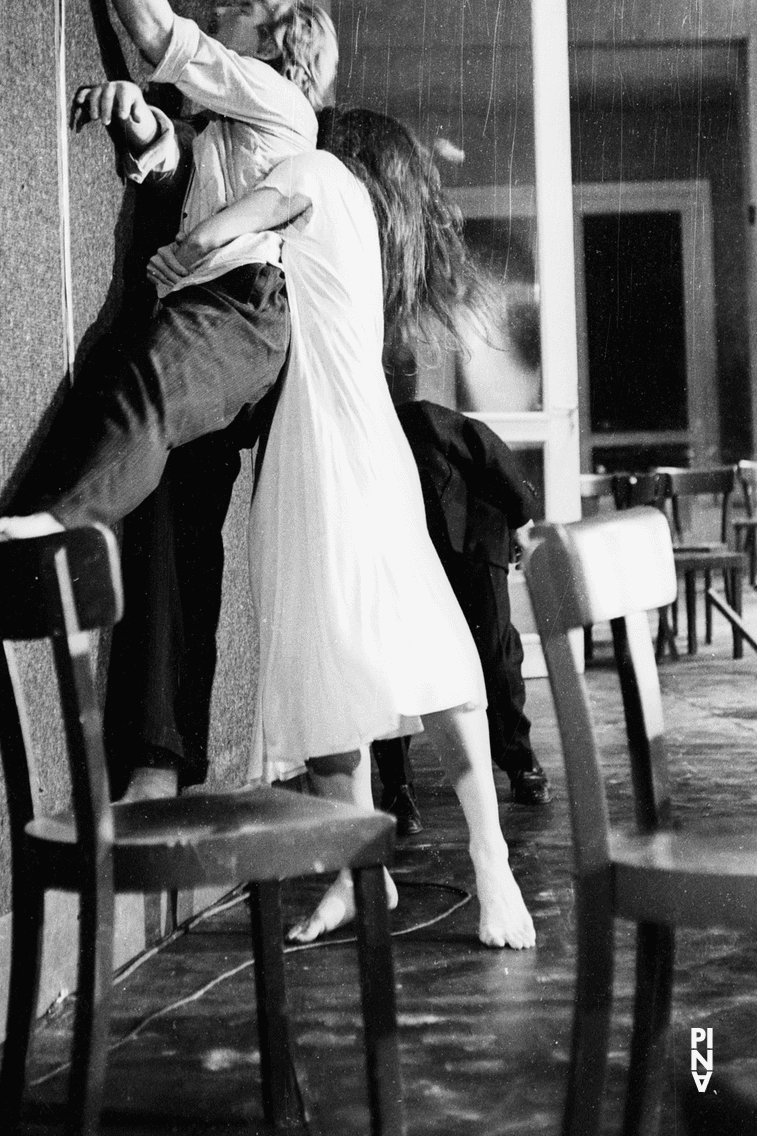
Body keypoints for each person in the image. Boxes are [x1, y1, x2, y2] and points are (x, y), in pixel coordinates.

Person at [0, 0, 338, 806]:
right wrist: (141, 123)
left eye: (244, 15)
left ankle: (54, 532)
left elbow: (157, 33)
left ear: (278, 52)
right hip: (224, 322)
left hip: (237, 316)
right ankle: (157, 766)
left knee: (144, 379)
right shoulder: (230, 131)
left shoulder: (279, 103)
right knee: (173, 538)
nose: (225, 15)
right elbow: (173, 159)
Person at [149, 109, 535, 950]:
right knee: (369, 660)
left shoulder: (315, 173)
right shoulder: (359, 215)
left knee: (367, 655)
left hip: (327, 455)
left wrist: (186, 250)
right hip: (347, 447)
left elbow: (241, 217)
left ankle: (462, 866)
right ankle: (383, 874)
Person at [373, 400, 549, 838]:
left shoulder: (419, 417)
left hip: (470, 538)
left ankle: (520, 760)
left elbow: (488, 449)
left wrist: (522, 518)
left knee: (494, 656)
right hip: (394, 555)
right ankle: (397, 790)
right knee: (389, 663)